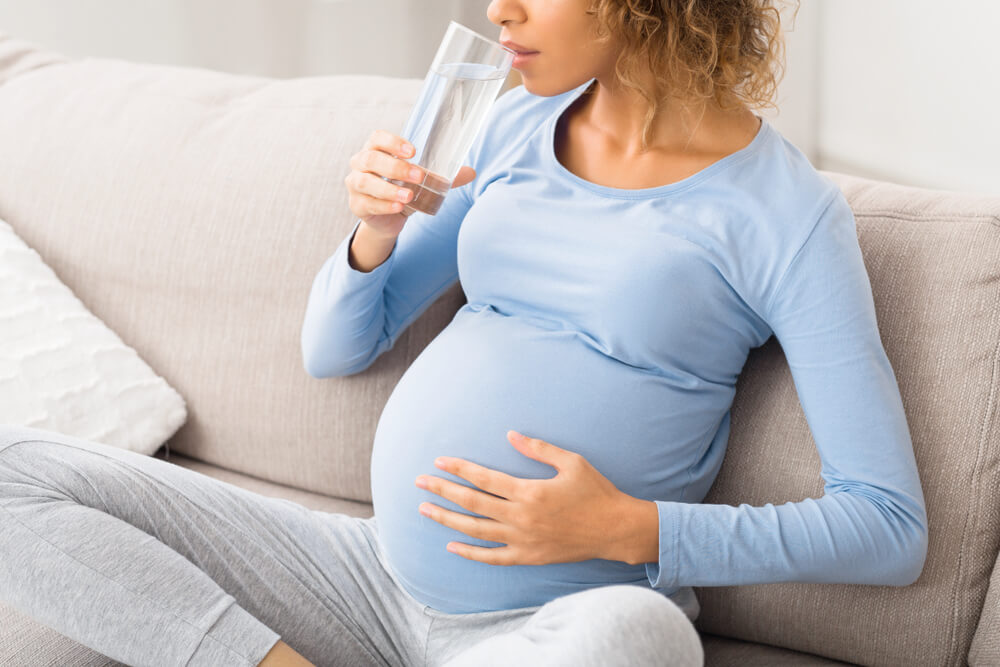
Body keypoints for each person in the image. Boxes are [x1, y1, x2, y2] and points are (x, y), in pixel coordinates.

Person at [0, 1, 928, 666]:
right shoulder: (512, 125)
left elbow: (888, 526)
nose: (499, 11)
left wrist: (635, 527)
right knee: (11, 473)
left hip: (549, 625)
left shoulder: (787, 216)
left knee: (641, 641)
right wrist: (375, 231)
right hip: (361, 578)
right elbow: (335, 347)